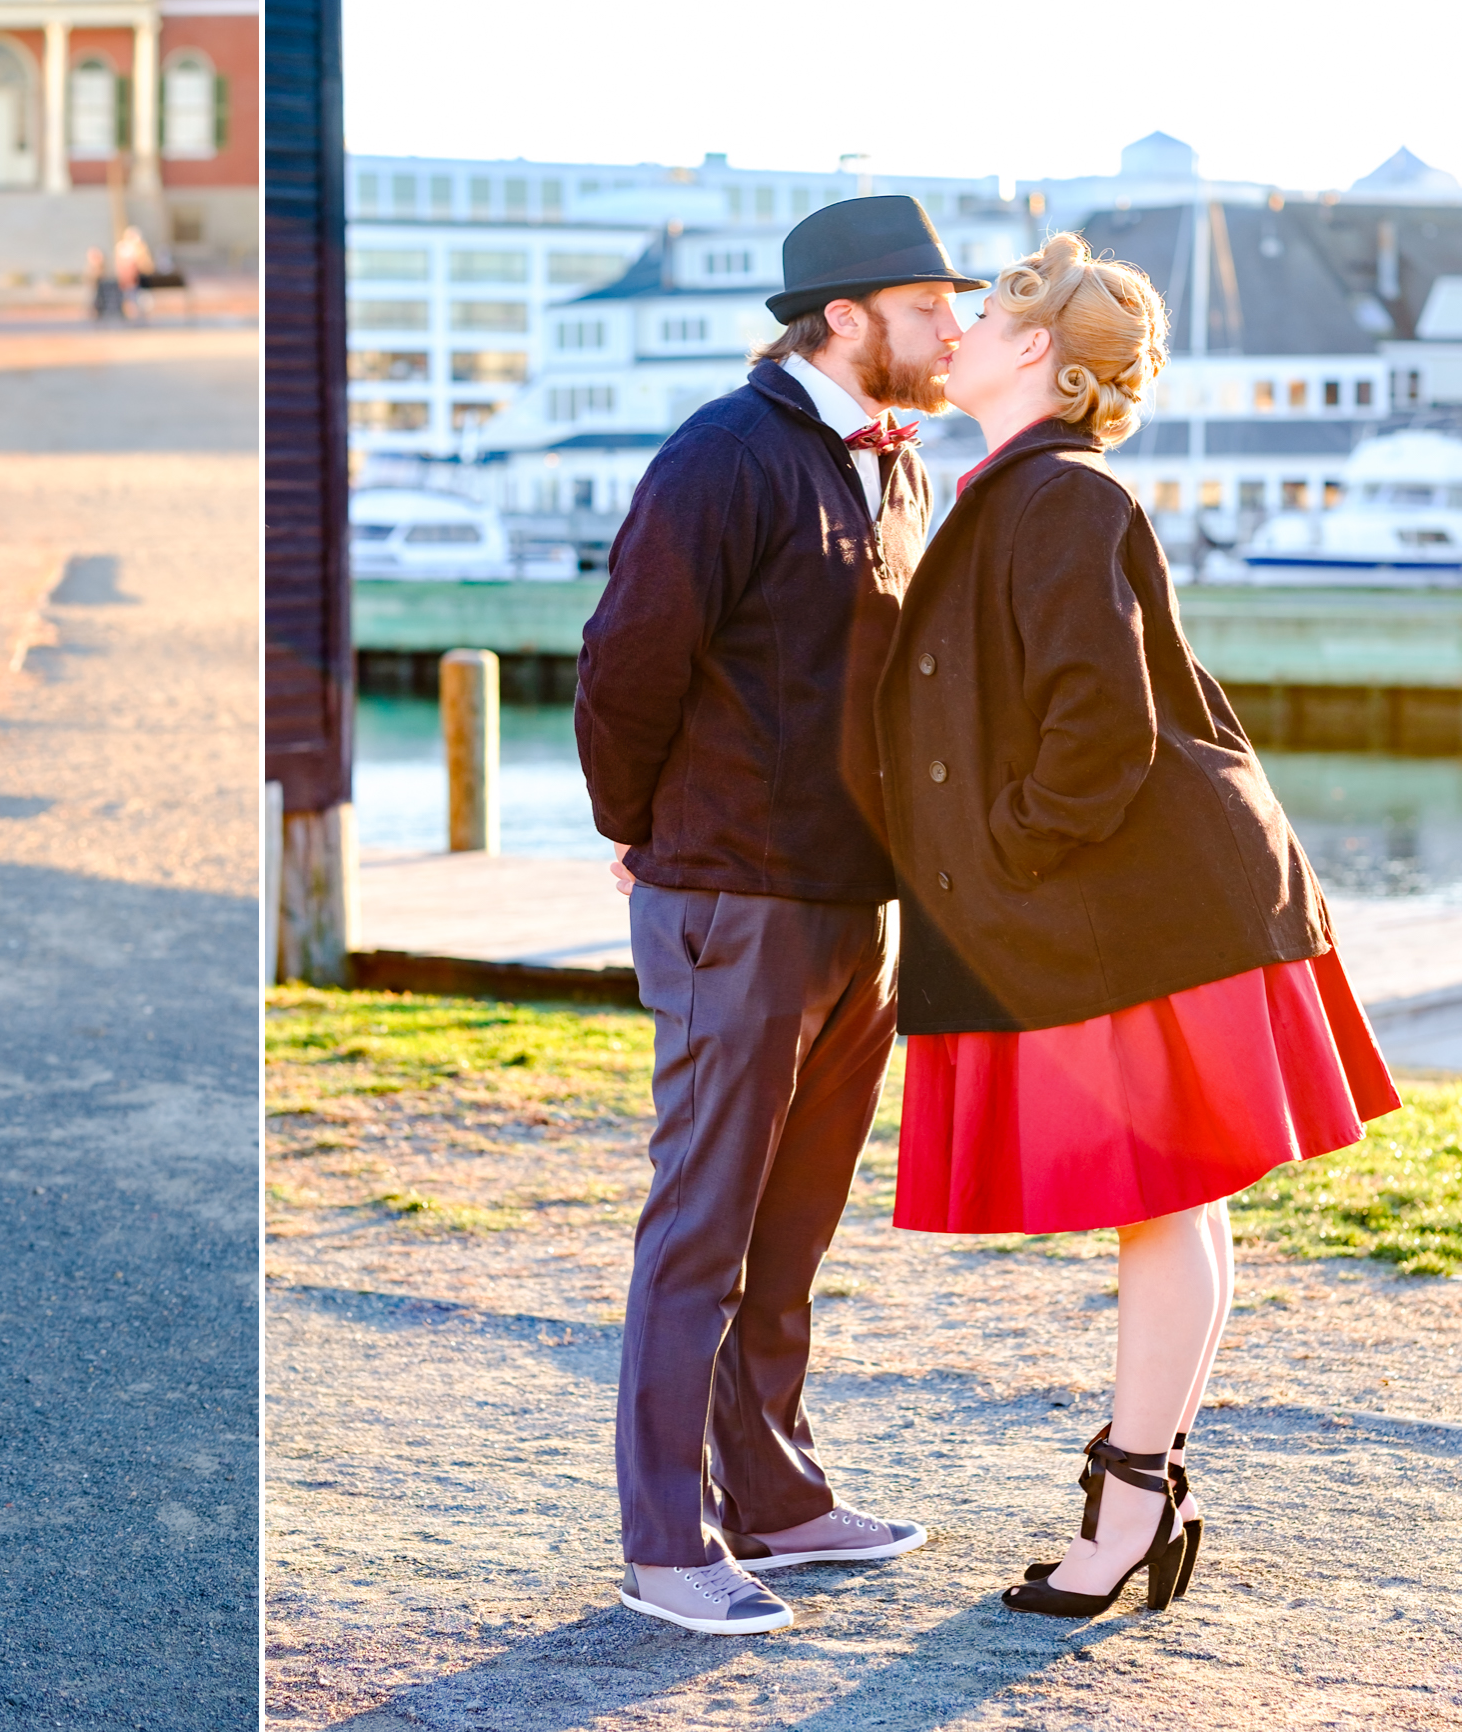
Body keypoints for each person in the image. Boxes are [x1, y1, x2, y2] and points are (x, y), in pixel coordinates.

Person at [879, 232, 1399, 1618]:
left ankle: (1125, 1521)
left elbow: (1096, 733)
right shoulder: (1025, 490)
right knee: (1173, 1206)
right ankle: (1142, 1503)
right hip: (1156, 901)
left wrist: (998, 856)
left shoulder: (1054, 499)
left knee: (1161, 1207)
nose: (961, 330)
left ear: (1038, 355)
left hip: (1145, 908)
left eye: (985, 313)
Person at [575, 196, 984, 1633]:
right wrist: (636, 830)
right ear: (849, 319)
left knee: (793, 1226)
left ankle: (779, 1499)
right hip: (730, 899)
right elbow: (627, 663)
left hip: (853, 906)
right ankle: (667, 1547)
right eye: (935, 308)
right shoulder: (724, 455)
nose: (958, 330)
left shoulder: (904, 471)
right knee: (702, 1225)